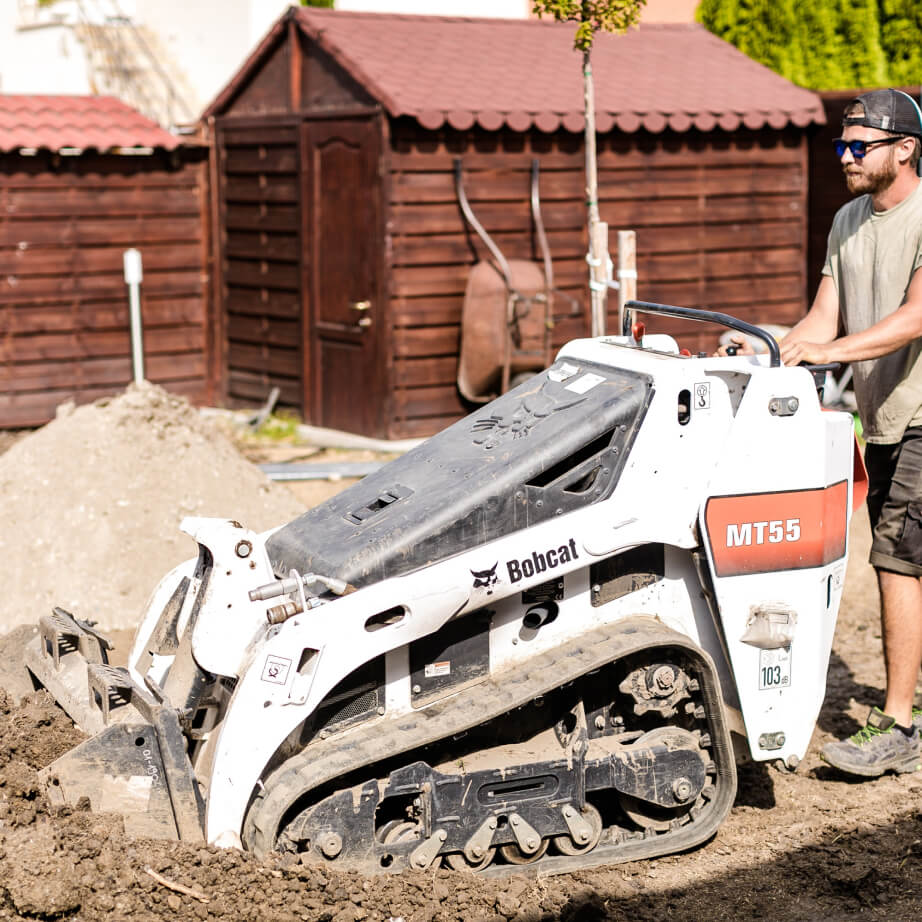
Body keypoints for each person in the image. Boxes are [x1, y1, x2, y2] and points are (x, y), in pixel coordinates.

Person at [726, 88, 922, 777]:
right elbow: (820, 322)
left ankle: (899, 726)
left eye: (857, 146)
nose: (844, 157)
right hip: (887, 418)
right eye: (841, 145)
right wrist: (764, 353)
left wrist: (830, 354)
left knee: (897, 561)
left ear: (905, 150)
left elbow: (916, 316)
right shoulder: (846, 221)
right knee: (907, 560)